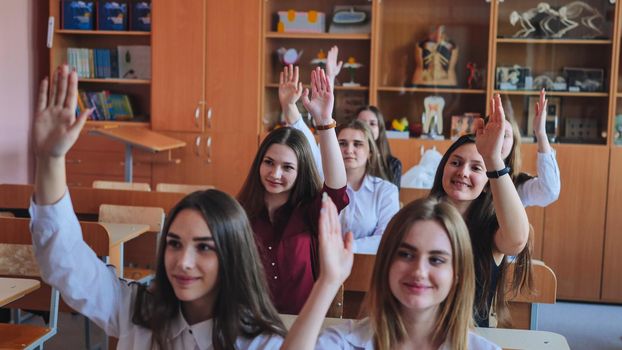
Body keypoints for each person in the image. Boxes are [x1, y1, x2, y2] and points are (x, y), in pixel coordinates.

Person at [30, 65, 286, 349]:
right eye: (174, 244)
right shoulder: (139, 311)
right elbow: (65, 261)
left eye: (204, 247)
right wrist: (50, 161)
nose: (183, 262)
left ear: (233, 256)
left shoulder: (259, 342)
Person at [282, 196, 500, 350]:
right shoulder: (347, 342)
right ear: (386, 262)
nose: (419, 271)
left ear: (457, 274)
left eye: (436, 260)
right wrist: (328, 282)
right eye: (406, 255)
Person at [238, 67, 349, 314]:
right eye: (269, 163)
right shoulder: (240, 213)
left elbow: (337, 187)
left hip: (300, 327)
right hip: (249, 326)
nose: (275, 174)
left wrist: (324, 123)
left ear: (300, 172)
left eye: (287, 167)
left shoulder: (309, 212)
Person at [429, 94, 532, 327]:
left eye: (476, 167)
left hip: (470, 339)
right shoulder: (421, 219)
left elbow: (517, 240)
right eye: (455, 162)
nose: (463, 172)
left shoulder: (490, 229)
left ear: (488, 184)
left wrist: (493, 158)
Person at [278, 65, 398, 253]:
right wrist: (289, 107)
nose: (349, 150)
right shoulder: (320, 179)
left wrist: (343, 247)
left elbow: (387, 238)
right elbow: (306, 139)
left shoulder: (386, 191)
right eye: (342, 143)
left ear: (371, 153)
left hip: (365, 272)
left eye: (357, 144)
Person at [324, 46, 403, 188]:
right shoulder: (344, 159)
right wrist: (330, 78)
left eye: (372, 123)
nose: (350, 149)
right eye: (362, 122)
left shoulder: (391, 166)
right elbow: (326, 119)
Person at [501, 89, 561, 207]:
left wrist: (541, 133)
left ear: (513, 143)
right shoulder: (469, 173)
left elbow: (549, 191)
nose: (498, 140)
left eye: (504, 135)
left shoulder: (517, 186)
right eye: (492, 132)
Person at [355, 105, 403, 189]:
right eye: (362, 123)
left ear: (380, 129)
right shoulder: (347, 158)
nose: (367, 127)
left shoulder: (393, 164)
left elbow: (393, 198)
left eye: (372, 123)